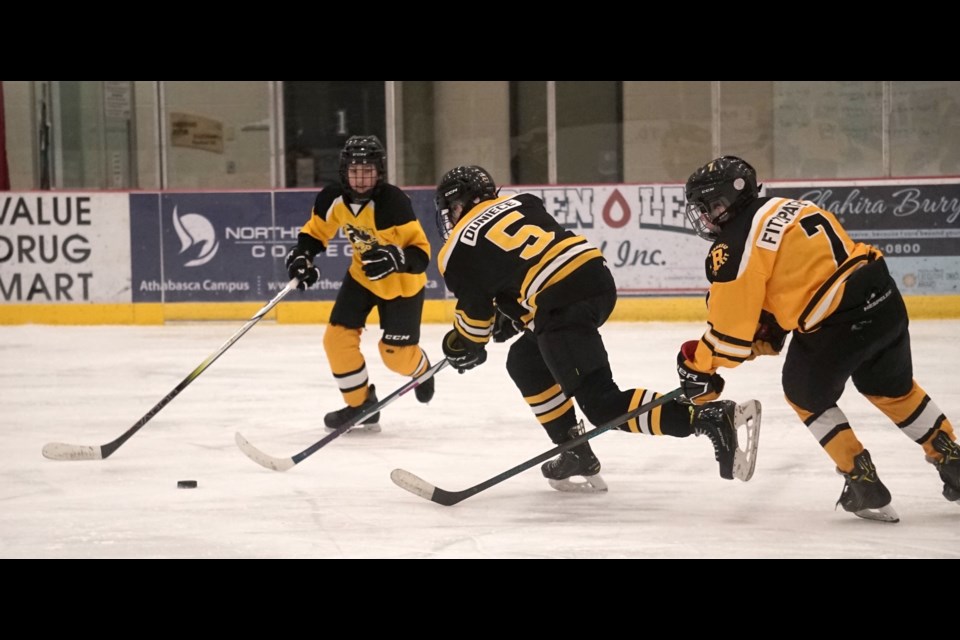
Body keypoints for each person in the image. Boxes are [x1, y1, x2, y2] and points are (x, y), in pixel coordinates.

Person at [433, 165, 762, 492]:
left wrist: (461, 343)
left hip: (560, 303)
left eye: (451, 210)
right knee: (525, 360)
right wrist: (515, 312)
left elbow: (475, 324)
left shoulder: (455, 250)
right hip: (595, 278)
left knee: (602, 405)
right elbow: (522, 260)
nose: (451, 217)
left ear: (460, 204)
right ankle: (574, 451)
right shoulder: (522, 201)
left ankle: (707, 417)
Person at [679, 155, 960, 522]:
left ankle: (861, 481)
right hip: (882, 298)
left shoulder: (733, 246)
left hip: (838, 321)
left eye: (710, 206)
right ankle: (951, 457)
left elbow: (729, 339)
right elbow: (800, 276)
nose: (705, 217)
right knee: (894, 390)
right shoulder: (791, 206)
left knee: (804, 393)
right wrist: (772, 328)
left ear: (729, 199)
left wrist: (697, 365)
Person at [285, 135, 434, 433]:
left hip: (401, 285)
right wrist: (303, 256)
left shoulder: (393, 202)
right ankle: (361, 406)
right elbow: (315, 233)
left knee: (396, 358)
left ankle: (421, 368)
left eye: (368, 171)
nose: (362, 178)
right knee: (336, 340)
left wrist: (397, 258)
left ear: (380, 172)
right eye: (355, 171)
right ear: (344, 172)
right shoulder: (332, 198)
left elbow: (422, 253)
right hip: (362, 277)